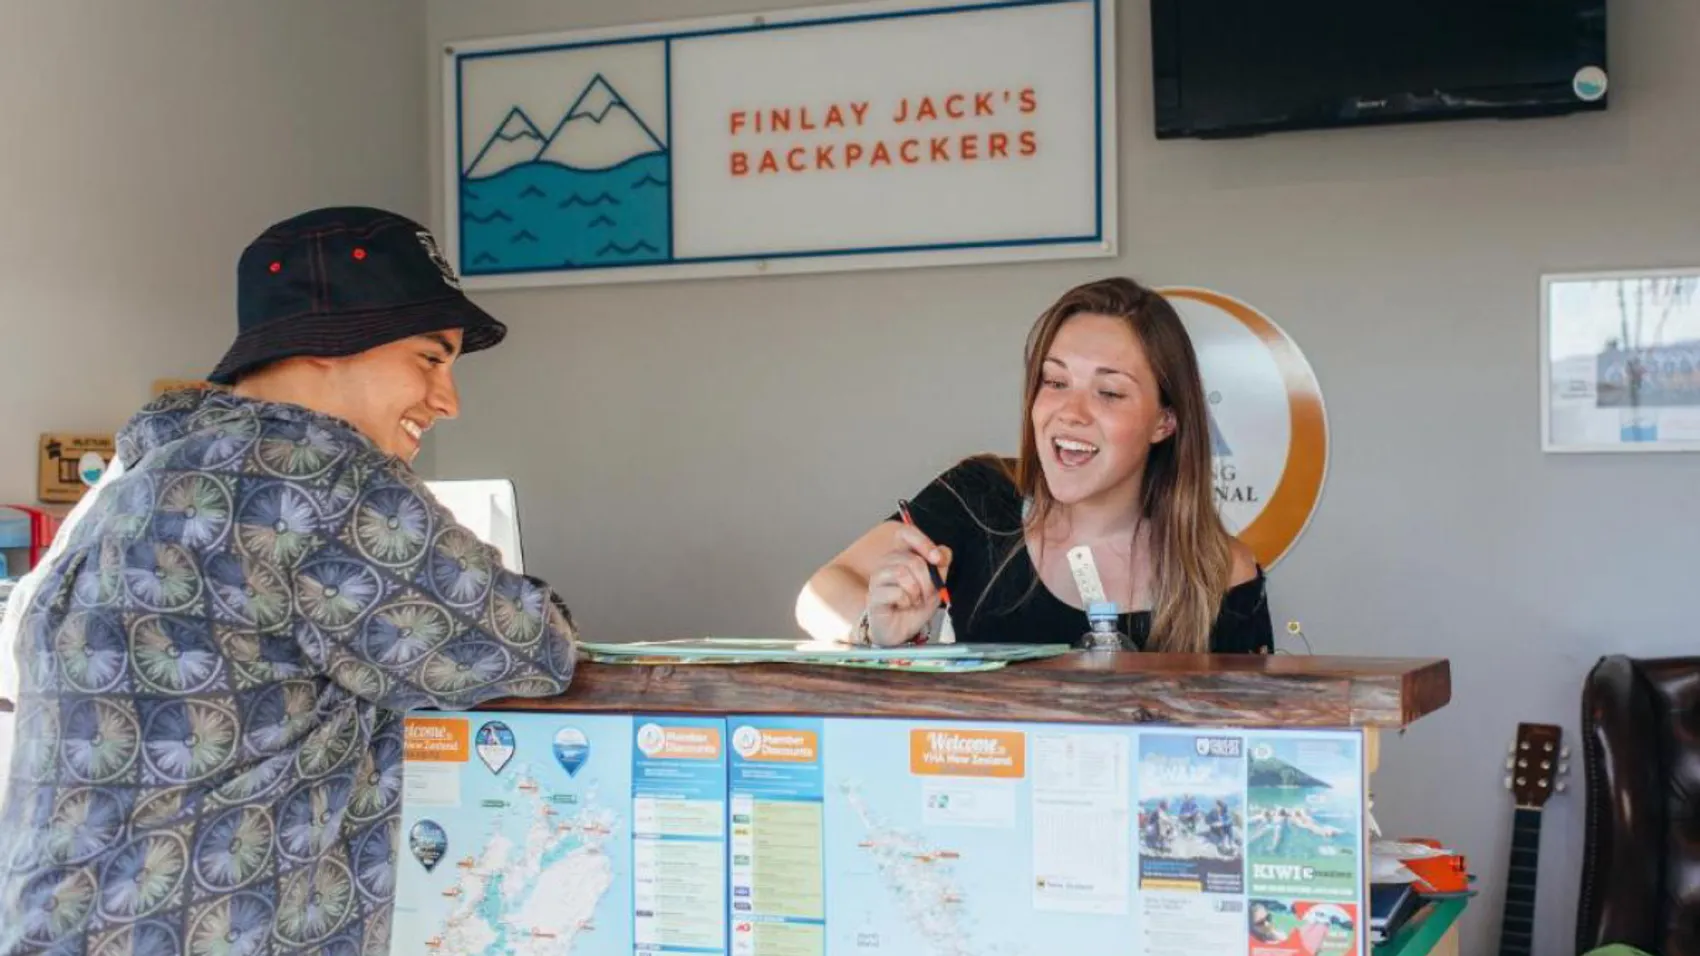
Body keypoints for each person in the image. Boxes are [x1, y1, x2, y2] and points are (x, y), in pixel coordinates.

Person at [0, 206, 579, 955]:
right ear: (327, 345)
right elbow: (524, 645)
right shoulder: (317, 474)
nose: (448, 400)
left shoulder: (141, 472)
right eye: (431, 359)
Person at [796, 276, 1273, 652]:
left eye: (1108, 392)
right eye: (1054, 381)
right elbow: (818, 597)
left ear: (1165, 422)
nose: (1071, 412)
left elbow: (1252, 741)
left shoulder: (1220, 568)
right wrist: (875, 628)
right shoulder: (981, 497)